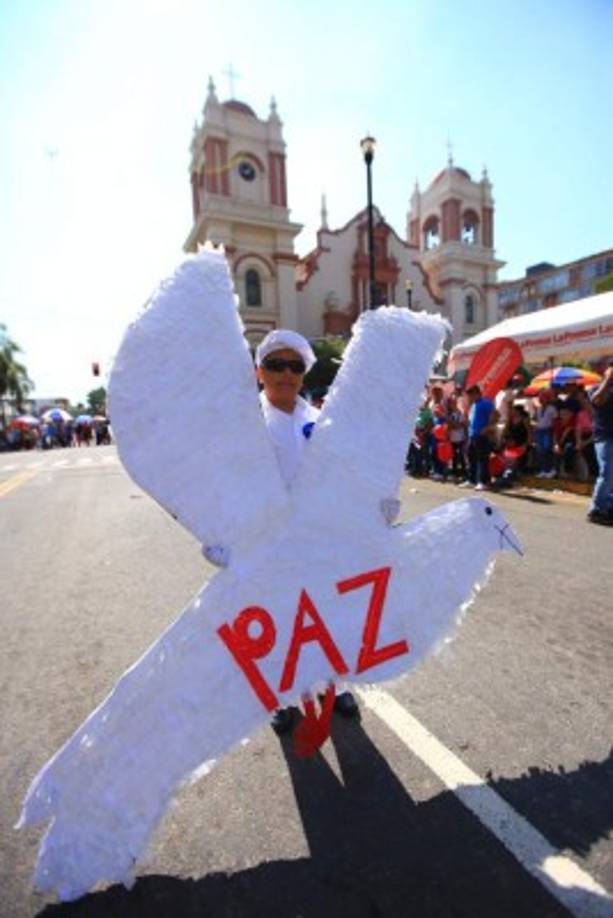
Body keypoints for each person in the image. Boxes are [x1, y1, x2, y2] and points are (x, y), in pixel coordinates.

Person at [254, 328, 360, 731]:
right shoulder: (246, 423)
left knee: (330, 615)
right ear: (259, 371)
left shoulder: (319, 419)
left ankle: (338, 686)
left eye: (295, 366)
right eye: (275, 365)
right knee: (279, 622)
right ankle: (282, 699)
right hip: (269, 542)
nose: (286, 373)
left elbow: (344, 474)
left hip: (322, 539)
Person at [587, 363, 613, 525]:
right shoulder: (596, 388)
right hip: (604, 437)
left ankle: (609, 506)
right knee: (607, 473)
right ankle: (596, 509)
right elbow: (597, 400)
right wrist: (609, 380)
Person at [460, 384, 495, 491]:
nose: (469, 398)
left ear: (476, 393)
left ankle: (483, 482)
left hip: (482, 436)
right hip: (473, 435)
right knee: (472, 458)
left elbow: (495, 416)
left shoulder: (486, 403)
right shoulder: (474, 405)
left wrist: (487, 428)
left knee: (482, 459)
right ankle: (472, 480)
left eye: (470, 395)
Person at [534, 389, 557, 478]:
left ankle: (550, 469)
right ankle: (543, 470)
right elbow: (537, 420)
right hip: (539, 431)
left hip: (548, 430)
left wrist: (554, 434)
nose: (541, 400)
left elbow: (554, 422)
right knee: (540, 451)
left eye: (543, 398)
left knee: (547, 450)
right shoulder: (539, 409)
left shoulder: (552, 409)